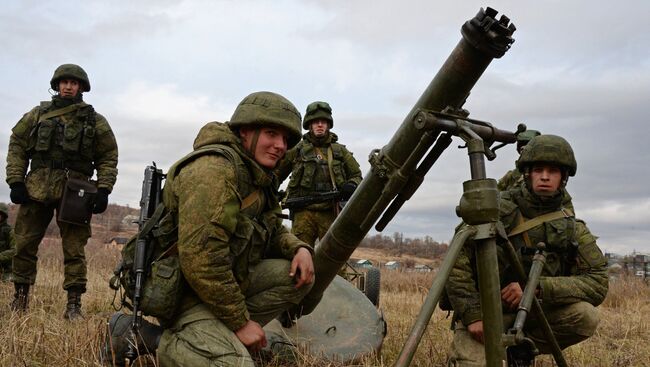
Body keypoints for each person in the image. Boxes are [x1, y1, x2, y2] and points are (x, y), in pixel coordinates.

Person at [105, 91, 315, 367]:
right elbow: (201, 260)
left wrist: (298, 247)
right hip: (185, 295)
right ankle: (152, 337)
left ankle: (217, 334)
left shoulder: (255, 175)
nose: (280, 145)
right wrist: (240, 322)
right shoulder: (213, 171)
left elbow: (272, 228)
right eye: (271, 134)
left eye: (285, 140)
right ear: (245, 132)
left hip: (222, 286)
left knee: (298, 276)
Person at [446, 135, 608, 366]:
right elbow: (455, 263)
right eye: (538, 170)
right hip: (485, 315)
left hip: (534, 313)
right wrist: (473, 315)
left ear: (563, 177)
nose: (544, 176)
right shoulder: (495, 209)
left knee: (585, 317)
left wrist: (537, 289)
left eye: (552, 171)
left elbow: (598, 282)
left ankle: (517, 349)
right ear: (527, 173)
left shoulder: (571, 226)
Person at [5, 64, 118, 319]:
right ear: (57, 85)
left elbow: (108, 156)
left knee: (74, 249)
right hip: (37, 188)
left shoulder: (95, 121)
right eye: (64, 82)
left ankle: (73, 305)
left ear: (81, 87)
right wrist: (16, 181)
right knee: (24, 244)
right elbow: (17, 145)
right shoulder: (37, 114)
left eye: (74, 83)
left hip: (76, 191)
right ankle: (20, 300)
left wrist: (103, 189)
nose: (68, 86)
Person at [275, 101, 362, 247]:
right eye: (316, 122)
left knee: (334, 256)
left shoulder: (340, 152)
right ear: (309, 125)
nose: (320, 125)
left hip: (331, 212)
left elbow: (357, 176)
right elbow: (275, 175)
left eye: (323, 122)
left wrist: (351, 185)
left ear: (328, 125)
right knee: (298, 253)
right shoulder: (297, 150)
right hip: (303, 212)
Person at [0, 203, 16, 281]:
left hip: (6, 270)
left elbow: (14, 250)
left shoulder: (10, 231)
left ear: (4, 216)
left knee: (8, 284)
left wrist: (1, 256)